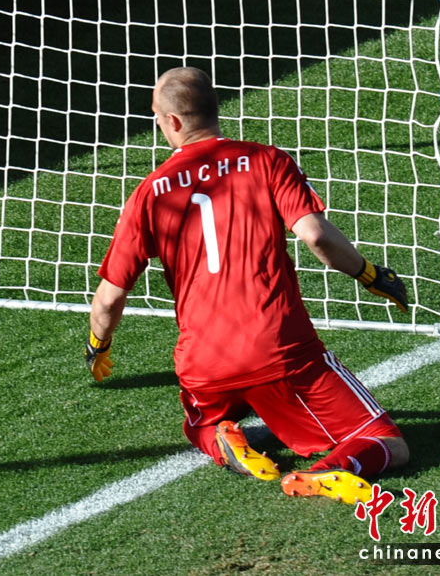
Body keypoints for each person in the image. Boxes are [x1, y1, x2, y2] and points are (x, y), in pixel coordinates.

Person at [85, 67, 410, 504]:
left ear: (173, 121)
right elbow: (317, 236)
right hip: (279, 352)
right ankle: (330, 471)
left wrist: (99, 345)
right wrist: (370, 274)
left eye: (157, 116)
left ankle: (222, 439)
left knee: (200, 423)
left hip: (204, 366)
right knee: (385, 440)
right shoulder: (265, 159)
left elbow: (110, 297)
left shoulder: (148, 192)